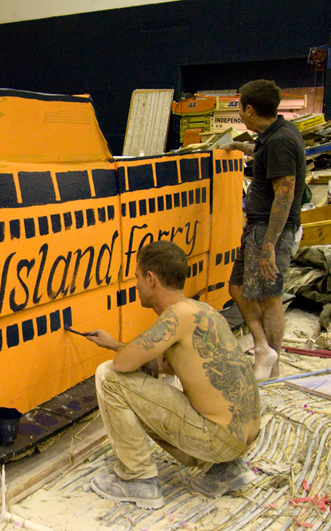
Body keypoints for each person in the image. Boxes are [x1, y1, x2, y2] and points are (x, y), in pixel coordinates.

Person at [84, 241, 260, 509]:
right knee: (139, 382)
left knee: (108, 376)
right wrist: (114, 344)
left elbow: (122, 365)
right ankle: (223, 470)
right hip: (240, 439)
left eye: (137, 278)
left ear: (151, 279)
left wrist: (117, 351)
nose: (136, 285)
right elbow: (162, 364)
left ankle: (137, 479)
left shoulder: (175, 317)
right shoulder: (201, 311)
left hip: (218, 440)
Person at [222, 79, 305, 380]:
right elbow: (262, 153)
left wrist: (269, 245)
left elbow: (284, 194)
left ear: (250, 109)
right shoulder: (276, 134)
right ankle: (263, 348)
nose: (240, 113)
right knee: (238, 287)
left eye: (240, 107)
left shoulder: (280, 142)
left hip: (268, 230)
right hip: (258, 229)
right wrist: (235, 145)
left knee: (269, 297)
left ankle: (273, 369)